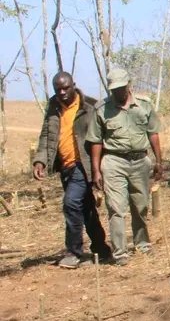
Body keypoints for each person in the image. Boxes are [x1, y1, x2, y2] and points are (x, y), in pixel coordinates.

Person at [32, 72, 112, 268]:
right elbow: (46, 135)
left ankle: (74, 252)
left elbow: (102, 137)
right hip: (65, 166)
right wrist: (40, 161)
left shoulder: (90, 107)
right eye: (58, 89)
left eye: (66, 88)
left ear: (73, 85)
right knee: (86, 209)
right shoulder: (53, 107)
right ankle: (101, 249)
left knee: (70, 203)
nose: (62, 92)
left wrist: (99, 168)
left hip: (83, 165)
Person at [86, 68, 164, 266]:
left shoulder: (144, 105)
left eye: (121, 88)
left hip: (140, 161)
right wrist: (95, 171)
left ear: (129, 84)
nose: (118, 93)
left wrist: (159, 161)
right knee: (116, 208)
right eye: (114, 89)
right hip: (113, 162)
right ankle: (120, 252)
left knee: (140, 206)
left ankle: (142, 243)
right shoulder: (101, 109)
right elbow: (95, 141)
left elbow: (153, 133)